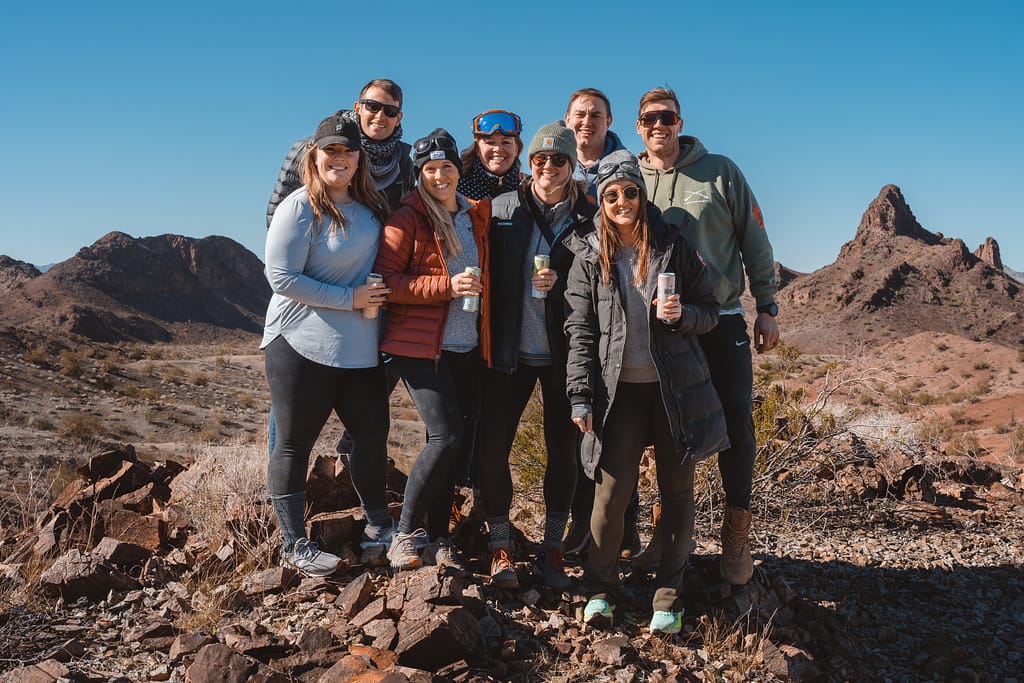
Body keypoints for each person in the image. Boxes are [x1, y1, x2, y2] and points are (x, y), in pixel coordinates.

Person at [563, 150, 728, 633]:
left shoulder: (674, 246)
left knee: (677, 495)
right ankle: (599, 592)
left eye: (630, 191)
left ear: (641, 193)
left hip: (672, 390)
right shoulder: (588, 254)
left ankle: (668, 600)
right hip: (619, 396)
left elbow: (711, 310)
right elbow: (580, 331)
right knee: (611, 497)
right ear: (601, 199)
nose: (621, 201)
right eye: (610, 194)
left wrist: (685, 318)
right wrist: (579, 394)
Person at [633, 86, 780, 585]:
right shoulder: (631, 178)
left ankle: (736, 537)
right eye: (649, 118)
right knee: (669, 427)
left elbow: (753, 238)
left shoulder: (720, 171)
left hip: (720, 317)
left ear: (679, 122)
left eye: (666, 117)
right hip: (666, 323)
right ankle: (669, 532)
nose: (658, 125)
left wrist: (767, 307)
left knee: (736, 418)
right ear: (638, 126)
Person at [262, 115, 393, 577]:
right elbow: (279, 277)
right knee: (295, 444)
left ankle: (381, 526)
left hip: (359, 347)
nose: (339, 158)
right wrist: (349, 297)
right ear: (313, 156)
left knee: (371, 436)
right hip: (299, 343)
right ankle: (294, 544)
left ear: (360, 159)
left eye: (348, 151)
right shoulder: (300, 207)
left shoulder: (370, 209)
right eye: (330, 150)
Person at [265, 78, 414, 469]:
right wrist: (318, 269)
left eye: (390, 110)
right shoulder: (312, 145)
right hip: (312, 282)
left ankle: (352, 459)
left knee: (378, 374)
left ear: (400, 118)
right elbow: (278, 215)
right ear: (358, 105)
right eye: (373, 106)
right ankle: (282, 478)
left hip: (367, 289)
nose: (380, 116)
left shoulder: (403, 160)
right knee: (293, 393)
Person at [477, 121, 594, 590]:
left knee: (562, 452)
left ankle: (552, 547)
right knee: (492, 448)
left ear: (571, 166)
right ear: (529, 164)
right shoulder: (502, 208)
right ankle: (500, 545)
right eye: (540, 160)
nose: (548, 168)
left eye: (559, 160)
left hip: (564, 354)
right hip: (509, 352)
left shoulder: (590, 215)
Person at [374, 129, 492, 573]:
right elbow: (386, 284)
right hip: (422, 347)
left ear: (458, 171)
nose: (439, 175)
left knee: (445, 445)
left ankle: (441, 539)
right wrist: (446, 286)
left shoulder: (473, 215)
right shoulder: (407, 218)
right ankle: (403, 534)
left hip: (466, 347)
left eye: (446, 167)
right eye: (430, 169)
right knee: (446, 437)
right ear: (419, 175)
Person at [563, 88, 628, 197]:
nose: (587, 122)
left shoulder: (627, 169)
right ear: (567, 119)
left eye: (595, 116)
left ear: (608, 121)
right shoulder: (553, 167)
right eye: (580, 114)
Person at [457, 109, 525, 202]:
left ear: (516, 149)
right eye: (490, 142)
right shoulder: (458, 189)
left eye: (506, 142)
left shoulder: (528, 189)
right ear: (477, 149)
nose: (497, 149)